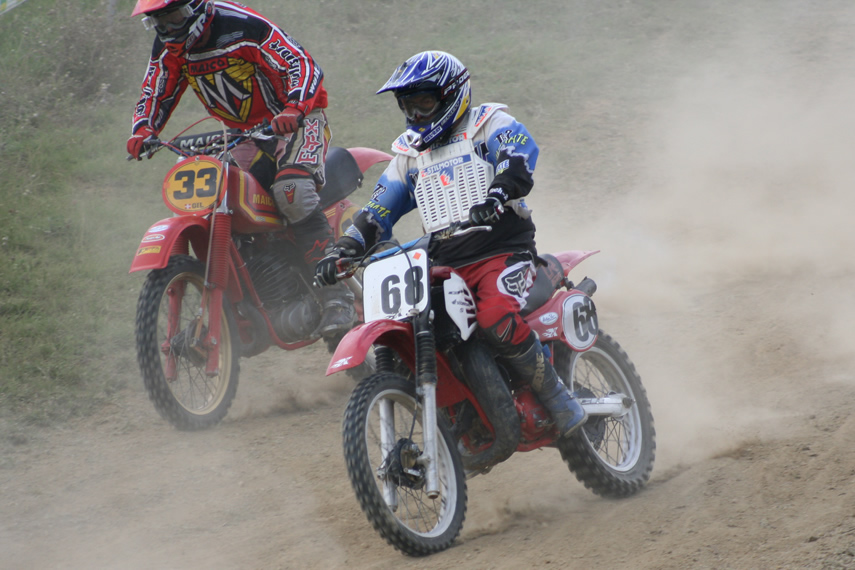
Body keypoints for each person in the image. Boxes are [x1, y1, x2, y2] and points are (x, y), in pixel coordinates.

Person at [314, 51, 586, 437]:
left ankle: (557, 395)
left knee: (495, 318)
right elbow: (377, 210)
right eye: (408, 105)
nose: (416, 114)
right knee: (413, 325)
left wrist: (497, 194)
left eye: (424, 102)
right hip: (444, 258)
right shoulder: (409, 155)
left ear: (451, 94)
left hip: (500, 248)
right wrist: (344, 248)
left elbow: (517, 156)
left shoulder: (488, 124)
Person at [127, 0, 354, 336]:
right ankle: (241, 301)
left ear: (195, 7)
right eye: (158, 21)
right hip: (241, 134)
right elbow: (156, 87)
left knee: (291, 191)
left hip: (297, 119)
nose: (168, 28)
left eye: (173, 16)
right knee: (218, 200)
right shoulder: (168, 46)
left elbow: (300, 63)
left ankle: (336, 297)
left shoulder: (243, 25)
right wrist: (143, 129)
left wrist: (294, 107)